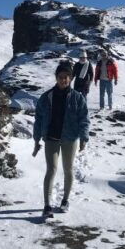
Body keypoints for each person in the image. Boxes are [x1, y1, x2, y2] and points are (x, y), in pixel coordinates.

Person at [33, 61, 90, 218]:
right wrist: (36, 138)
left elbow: (84, 119)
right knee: (51, 169)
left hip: (70, 138)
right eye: (60, 77)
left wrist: (84, 137)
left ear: (71, 78)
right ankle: (47, 205)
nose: (63, 80)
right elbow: (38, 118)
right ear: (56, 78)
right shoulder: (46, 97)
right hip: (51, 138)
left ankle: (65, 200)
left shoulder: (78, 98)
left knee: (68, 169)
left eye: (66, 77)